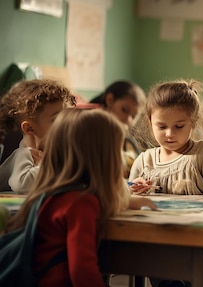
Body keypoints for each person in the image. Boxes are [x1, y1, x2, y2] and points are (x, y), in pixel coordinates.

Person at [4, 108, 156, 286]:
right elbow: (82, 272)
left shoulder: (53, 194)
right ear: (102, 157)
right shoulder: (81, 204)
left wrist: (127, 201)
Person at [0, 79, 76, 194]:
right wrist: (45, 164)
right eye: (56, 120)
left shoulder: (57, 152)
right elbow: (22, 185)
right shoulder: (23, 154)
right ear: (29, 128)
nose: (65, 124)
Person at [89, 80, 147, 177]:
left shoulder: (128, 142)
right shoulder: (90, 130)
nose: (128, 120)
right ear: (110, 100)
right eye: (124, 110)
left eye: (133, 116)